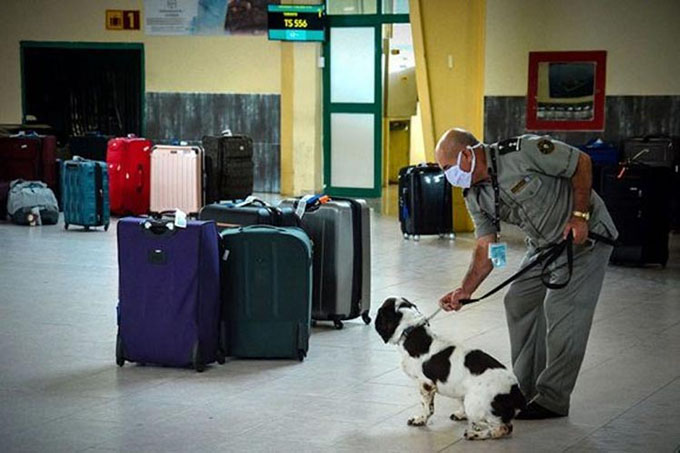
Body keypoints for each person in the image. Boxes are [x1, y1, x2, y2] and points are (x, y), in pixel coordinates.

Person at [435, 128, 618, 419]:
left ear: (467, 154)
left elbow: (581, 162)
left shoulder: (522, 152)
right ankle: (525, 388)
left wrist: (579, 215)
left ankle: (553, 399)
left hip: (585, 239)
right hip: (544, 246)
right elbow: (485, 248)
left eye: (447, 167)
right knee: (518, 300)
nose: (447, 175)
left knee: (562, 309)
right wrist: (465, 290)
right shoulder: (474, 194)